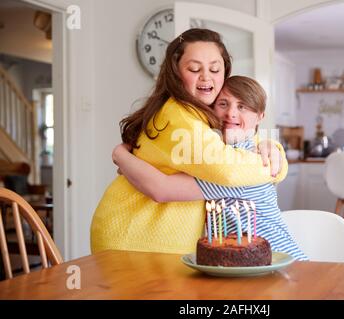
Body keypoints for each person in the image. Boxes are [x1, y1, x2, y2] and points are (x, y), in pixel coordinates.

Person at [91, 29, 288, 254]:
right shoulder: (180, 115)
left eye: (215, 69)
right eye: (194, 69)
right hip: (135, 236)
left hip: (155, 238)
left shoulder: (203, 117)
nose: (206, 76)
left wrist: (270, 146)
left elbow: (232, 151)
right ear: (175, 73)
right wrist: (276, 166)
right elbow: (228, 170)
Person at [112, 76, 308, 261]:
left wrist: (120, 155)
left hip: (277, 260)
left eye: (242, 107)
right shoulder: (220, 151)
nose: (231, 113)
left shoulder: (238, 163)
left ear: (260, 116)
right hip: (243, 262)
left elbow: (162, 189)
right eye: (223, 104)